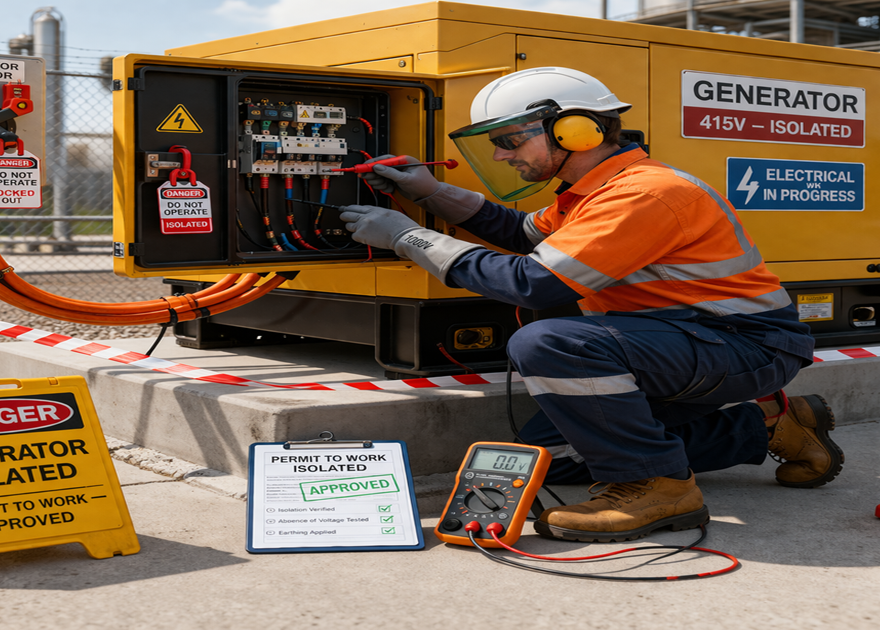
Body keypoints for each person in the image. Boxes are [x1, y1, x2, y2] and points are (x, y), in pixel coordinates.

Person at [338, 67, 844, 543]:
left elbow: (535, 282)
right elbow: (517, 232)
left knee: (549, 342)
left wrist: (409, 238)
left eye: (510, 140)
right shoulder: (591, 193)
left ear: (575, 131)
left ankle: (660, 487)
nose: (500, 156)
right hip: (683, 342)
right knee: (550, 457)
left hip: (744, 344)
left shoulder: (645, 194)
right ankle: (768, 425)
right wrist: (431, 192)